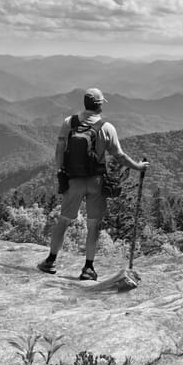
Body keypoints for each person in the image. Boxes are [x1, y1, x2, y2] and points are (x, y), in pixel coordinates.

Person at [37, 87, 149, 280]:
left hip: (73, 180)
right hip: (96, 182)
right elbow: (119, 156)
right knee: (93, 225)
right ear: (99, 106)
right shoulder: (106, 128)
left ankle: (50, 261)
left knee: (63, 221)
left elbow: (59, 152)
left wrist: (61, 172)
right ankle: (88, 268)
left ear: (85, 104)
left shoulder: (69, 123)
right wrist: (138, 166)